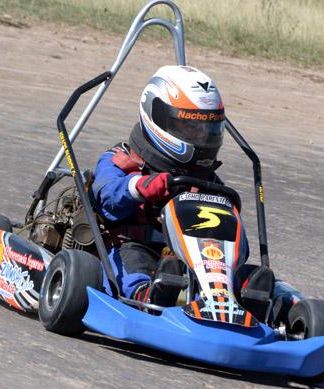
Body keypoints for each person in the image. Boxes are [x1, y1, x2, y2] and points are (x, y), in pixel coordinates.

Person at [91, 65, 226, 306]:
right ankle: (146, 297)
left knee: (228, 266)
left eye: (207, 128)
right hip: (128, 246)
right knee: (132, 261)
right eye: (190, 127)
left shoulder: (206, 178)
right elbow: (106, 198)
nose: (201, 137)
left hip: (191, 258)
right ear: (158, 118)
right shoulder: (122, 160)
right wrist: (143, 186)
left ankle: (254, 298)